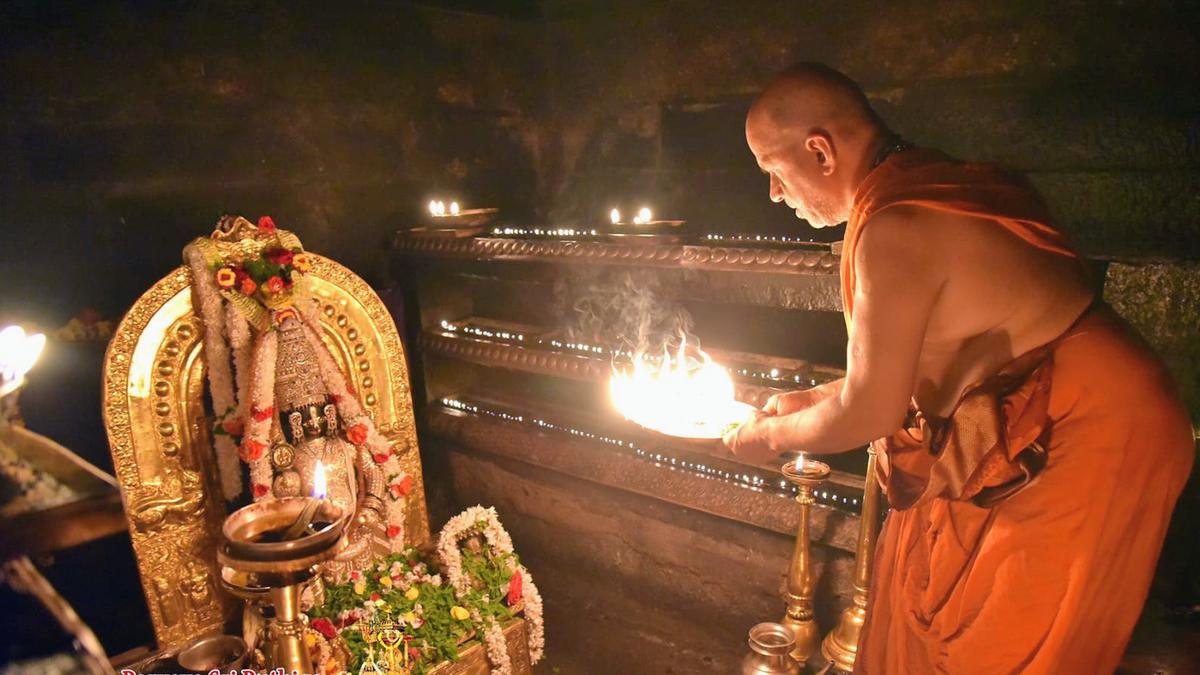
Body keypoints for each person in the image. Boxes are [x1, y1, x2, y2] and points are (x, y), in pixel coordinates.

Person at [723, 62, 1195, 674]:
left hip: (1092, 425)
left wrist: (766, 437)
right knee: (927, 590)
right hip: (1015, 413)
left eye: (771, 170)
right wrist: (810, 399)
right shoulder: (917, 189)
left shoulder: (896, 227)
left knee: (1011, 638)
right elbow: (918, 365)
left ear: (819, 151)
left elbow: (873, 410)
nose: (774, 195)